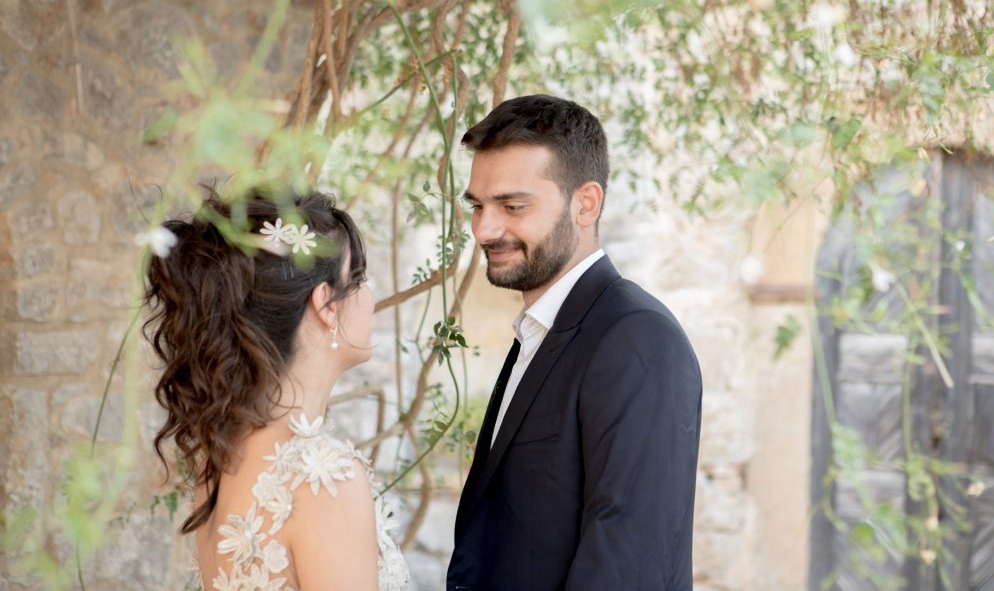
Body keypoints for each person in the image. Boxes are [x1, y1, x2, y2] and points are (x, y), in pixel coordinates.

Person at [447, 95, 703, 590]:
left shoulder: (637, 339)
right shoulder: (541, 330)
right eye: (477, 206)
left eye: (512, 206)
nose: (484, 229)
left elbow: (628, 565)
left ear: (586, 203)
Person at [145, 189, 409, 591]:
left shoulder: (219, 461)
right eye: (357, 278)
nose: (369, 295)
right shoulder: (325, 479)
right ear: (326, 305)